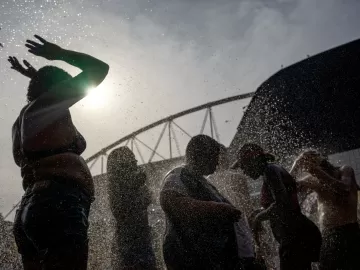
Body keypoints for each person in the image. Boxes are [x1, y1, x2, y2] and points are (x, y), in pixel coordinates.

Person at [10, 35, 109, 270]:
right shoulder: (47, 105)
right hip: (58, 205)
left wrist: (35, 77)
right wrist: (59, 54)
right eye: (65, 85)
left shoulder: (23, 120)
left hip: (31, 210)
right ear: (56, 89)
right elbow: (99, 69)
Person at [160, 135, 260, 270]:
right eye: (214, 157)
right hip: (189, 258)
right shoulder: (179, 175)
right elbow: (169, 200)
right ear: (200, 156)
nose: (217, 163)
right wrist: (216, 208)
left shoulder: (202, 181)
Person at [231, 143, 321, 270]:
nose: (244, 172)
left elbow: (282, 204)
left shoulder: (270, 171)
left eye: (244, 166)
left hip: (294, 238)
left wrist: (258, 218)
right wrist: (259, 211)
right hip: (295, 236)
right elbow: (279, 203)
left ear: (254, 161)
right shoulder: (272, 170)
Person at [292, 150, 360, 270]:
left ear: (322, 160)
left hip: (350, 232)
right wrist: (296, 164)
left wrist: (317, 173)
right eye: (306, 164)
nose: (309, 166)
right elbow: (288, 186)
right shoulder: (312, 179)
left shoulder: (344, 170)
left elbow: (344, 189)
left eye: (312, 161)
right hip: (328, 236)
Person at [107, 146, 157, 270]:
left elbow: (148, 198)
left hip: (139, 241)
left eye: (134, 161)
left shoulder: (123, 186)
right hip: (130, 244)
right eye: (132, 162)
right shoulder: (120, 188)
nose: (136, 164)